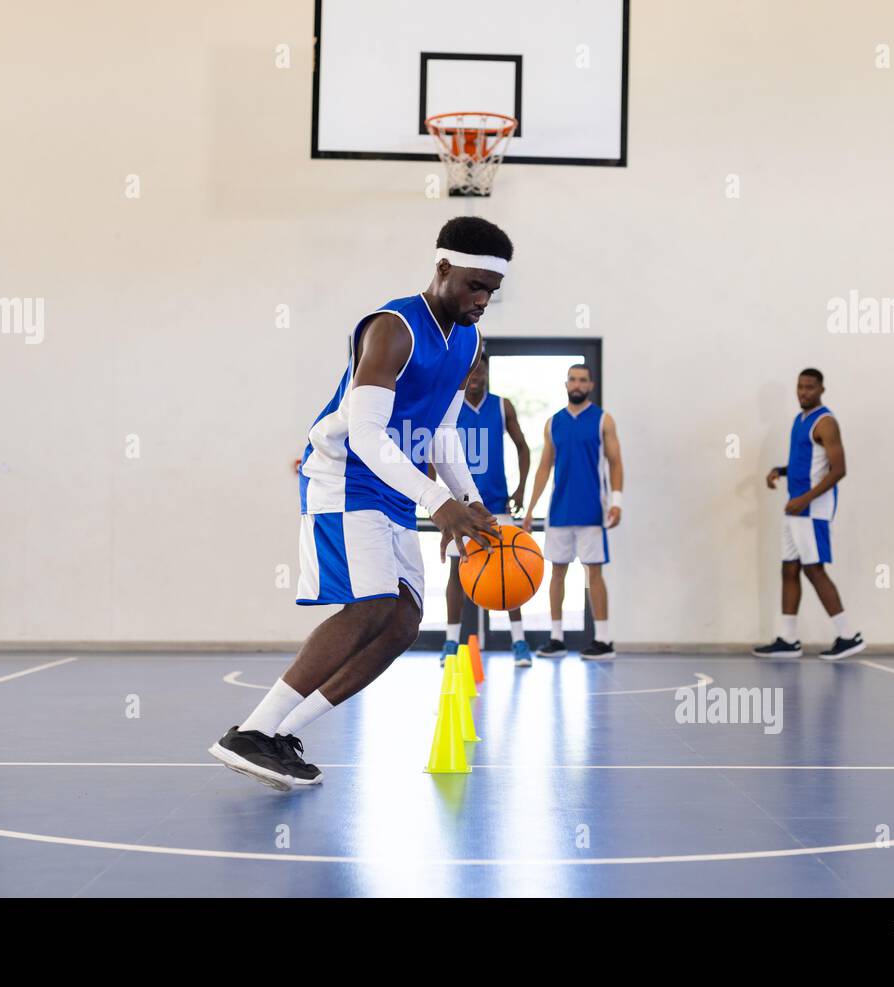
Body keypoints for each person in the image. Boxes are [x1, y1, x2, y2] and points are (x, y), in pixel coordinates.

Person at [209, 216, 511, 791]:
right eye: (474, 285)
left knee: (402, 623)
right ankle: (249, 733)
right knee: (371, 604)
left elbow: (443, 434)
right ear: (443, 268)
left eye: (491, 291)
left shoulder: (469, 341)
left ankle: (279, 734)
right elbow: (367, 434)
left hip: (393, 484)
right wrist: (436, 501)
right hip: (345, 474)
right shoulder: (393, 329)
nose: (482, 300)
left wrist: (470, 503)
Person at [752, 368, 866, 660]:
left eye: (810, 387)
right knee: (789, 568)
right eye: (800, 387)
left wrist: (805, 499)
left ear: (821, 389)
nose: (803, 392)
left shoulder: (826, 423)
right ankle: (789, 640)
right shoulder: (798, 420)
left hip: (813, 509)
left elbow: (839, 470)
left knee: (814, 570)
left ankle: (848, 635)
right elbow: (806, 463)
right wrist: (781, 471)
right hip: (795, 506)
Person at [523, 365, 623, 661]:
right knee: (557, 572)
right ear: (566, 383)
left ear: (590, 385)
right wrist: (530, 508)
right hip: (559, 511)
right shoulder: (553, 422)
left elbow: (616, 463)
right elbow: (544, 467)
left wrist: (617, 501)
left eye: (582, 380)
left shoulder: (603, 420)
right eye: (573, 379)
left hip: (593, 510)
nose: (577, 384)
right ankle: (557, 638)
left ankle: (603, 640)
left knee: (594, 573)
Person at [439, 352, 533, 667]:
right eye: (471, 370)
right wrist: (435, 498)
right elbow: (431, 452)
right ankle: (451, 643)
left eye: (481, 369)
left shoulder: (502, 405)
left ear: (488, 371)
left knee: (511, 567)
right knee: (458, 569)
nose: (476, 374)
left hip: (496, 503)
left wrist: (521, 487)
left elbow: (522, 445)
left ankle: (519, 642)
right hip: (461, 505)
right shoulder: (448, 405)